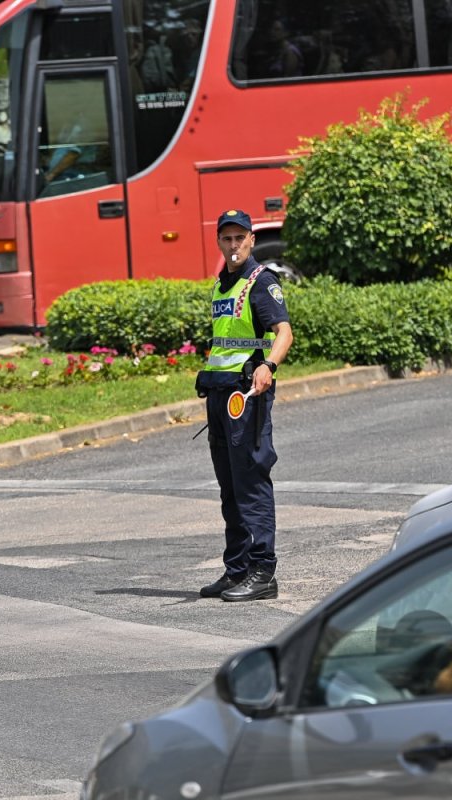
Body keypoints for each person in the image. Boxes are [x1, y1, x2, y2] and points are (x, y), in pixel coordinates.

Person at [196, 209, 293, 602]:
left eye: (240, 238)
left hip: (246, 396)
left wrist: (269, 366)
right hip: (220, 395)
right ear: (219, 241)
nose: (233, 245)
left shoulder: (260, 281)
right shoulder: (222, 285)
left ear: (252, 239)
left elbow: (283, 332)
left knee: (251, 481)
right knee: (229, 487)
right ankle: (237, 569)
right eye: (227, 238)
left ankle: (262, 572)